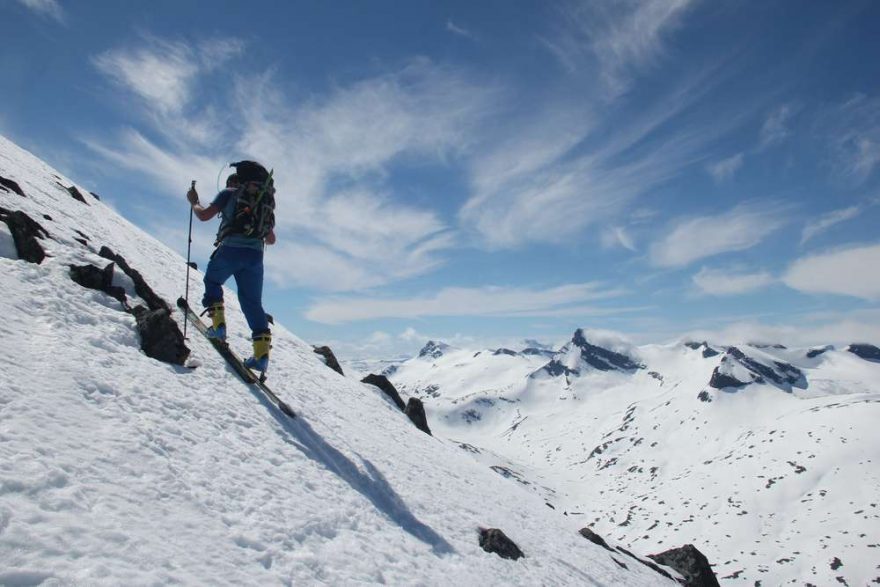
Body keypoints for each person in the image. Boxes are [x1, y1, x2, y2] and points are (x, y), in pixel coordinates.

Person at [186, 161, 276, 373]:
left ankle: (218, 327)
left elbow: (204, 215)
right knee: (252, 302)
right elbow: (271, 239)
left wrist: (194, 201)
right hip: (255, 257)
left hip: (230, 251)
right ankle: (261, 356)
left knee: (213, 281)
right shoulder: (264, 201)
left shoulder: (228, 193)